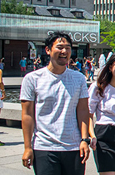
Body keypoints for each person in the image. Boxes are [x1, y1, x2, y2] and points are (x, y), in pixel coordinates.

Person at [20, 32, 91, 174]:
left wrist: (85, 139)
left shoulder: (79, 78)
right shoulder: (32, 78)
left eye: (68, 48)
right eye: (59, 47)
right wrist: (28, 148)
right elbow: (27, 114)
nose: (64, 51)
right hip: (44, 146)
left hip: (74, 146)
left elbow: (83, 110)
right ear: (48, 50)